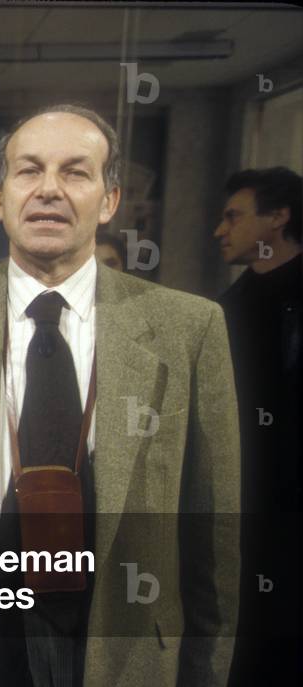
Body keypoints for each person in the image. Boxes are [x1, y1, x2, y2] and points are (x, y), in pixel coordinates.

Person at [0, 104, 239, 687]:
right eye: (29, 170)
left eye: (76, 172)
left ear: (109, 200)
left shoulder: (189, 327)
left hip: (125, 638)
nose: (49, 190)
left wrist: (208, 670)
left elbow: (214, 522)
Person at [214, 167, 301, 686]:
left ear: (278, 217)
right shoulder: (225, 311)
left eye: (233, 216)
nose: (220, 230)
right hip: (246, 511)